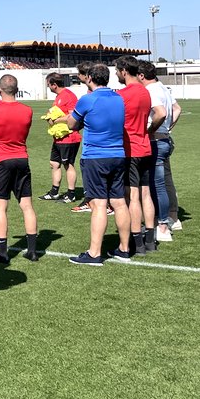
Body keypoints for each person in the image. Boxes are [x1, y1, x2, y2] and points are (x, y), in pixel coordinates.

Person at [63, 63, 131, 266]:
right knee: (119, 202)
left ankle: (94, 253)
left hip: (95, 157)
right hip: (118, 155)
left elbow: (71, 124)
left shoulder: (87, 100)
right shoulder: (119, 98)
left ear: (90, 79)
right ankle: (124, 248)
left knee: (99, 204)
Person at [0, 74, 39, 263]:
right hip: (21, 159)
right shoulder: (27, 110)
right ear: (17, 89)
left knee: (0, 207)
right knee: (27, 206)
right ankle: (32, 251)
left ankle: (3, 252)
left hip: (0, 161)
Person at [115, 56, 157, 255]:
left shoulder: (123, 94)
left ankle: (137, 242)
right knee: (146, 194)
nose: (116, 74)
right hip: (145, 145)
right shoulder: (145, 91)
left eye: (117, 70)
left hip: (130, 148)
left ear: (124, 71)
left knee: (132, 196)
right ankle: (150, 239)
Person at [137, 60, 181, 242]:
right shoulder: (162, 88)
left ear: (141, 76)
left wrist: (151, 130)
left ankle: (162, 226)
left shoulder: (151, 90)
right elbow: (177, 109)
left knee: (157, 184)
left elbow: (161, 113)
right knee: (166, 180)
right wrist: (168, 128)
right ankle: (173, 217)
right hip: (165, 139)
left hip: (156, 141)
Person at [40, 73, 82, 204]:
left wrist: (56, 119)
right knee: (54, 163)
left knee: (68, 165)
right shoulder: (59, 97)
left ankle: (71, 194)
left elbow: (73, 116)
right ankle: (54, 192)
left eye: (48, 85)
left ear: (54, 84)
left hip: (69, 137)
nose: (48, 87)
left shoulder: (69, 96)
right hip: (58, 138)